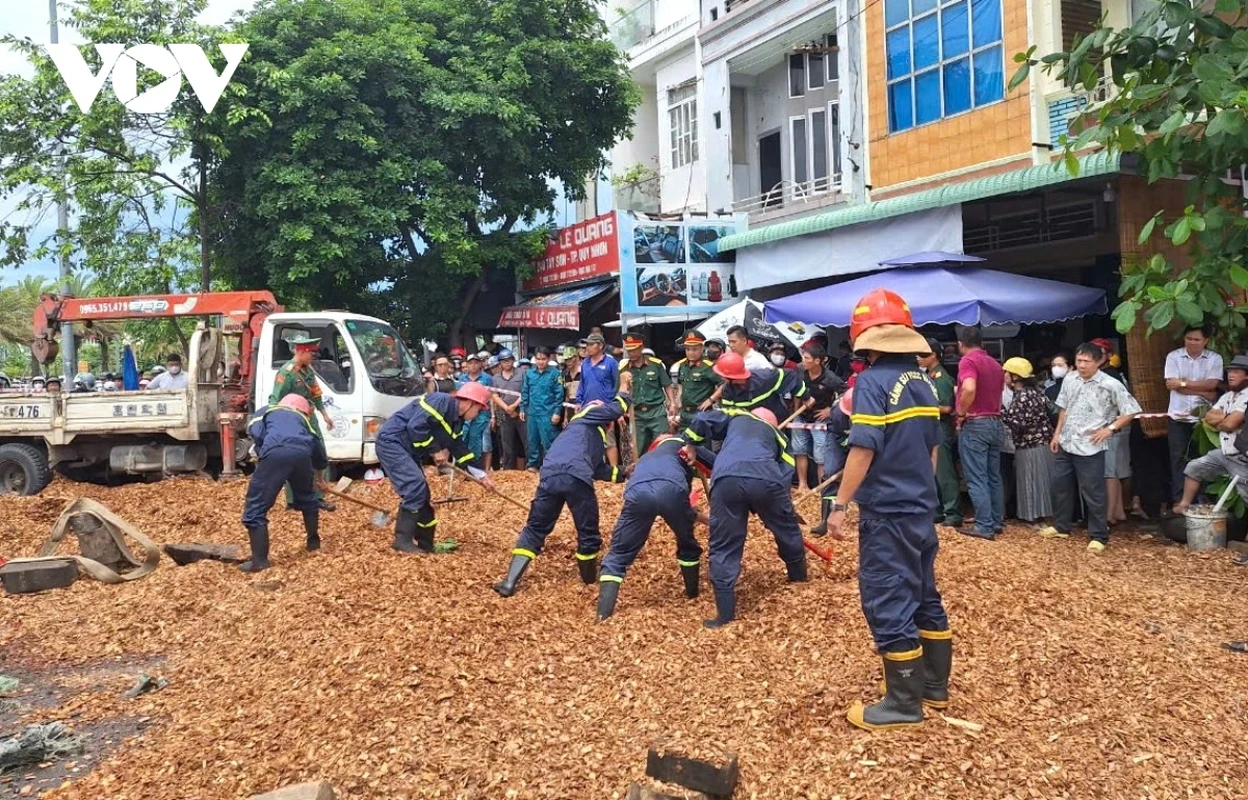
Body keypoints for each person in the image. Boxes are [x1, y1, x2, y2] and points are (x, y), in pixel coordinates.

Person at [825, 288, 950, 732]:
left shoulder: (872, 385)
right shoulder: (924, 380)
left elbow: (862, 450)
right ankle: (934, 687)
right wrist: (923, 492)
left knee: (887, 597)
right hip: (919, 506)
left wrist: (839, 504)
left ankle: (902, 703)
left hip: (888, 511)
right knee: (923, 594)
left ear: (865, 339)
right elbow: (932, 448)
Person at [493, 391, 632, 597]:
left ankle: (509, 582)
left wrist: (624, 472)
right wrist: (624, 394)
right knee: (588, 531)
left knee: (535, 528)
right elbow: (615, 408)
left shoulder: (583, 436)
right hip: (576, 479)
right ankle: (589, 581)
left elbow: (598, 470)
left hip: (549, 476)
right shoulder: (587, 416)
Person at [682, 407, 807, 628]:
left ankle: (724, 615)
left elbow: (702, 417)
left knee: (724, 543)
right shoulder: (779, 437)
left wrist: (690, 444)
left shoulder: (737, 416)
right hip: (767, 480)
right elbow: (786, 473)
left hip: (726, 479)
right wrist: (780, 508)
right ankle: (799, 581)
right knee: (787, 531)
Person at [596, 435, 715, 620]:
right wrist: (713, 519)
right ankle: (692, 593)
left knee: (619, 552)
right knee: (686, 542)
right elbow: (718, 464)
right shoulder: (685, 444)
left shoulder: (647, 457)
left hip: (637, 491)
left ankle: (603, 615)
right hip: (672, 489)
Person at [1041, 342, 1142, 553]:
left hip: (1091, 445)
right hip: (1067, 441)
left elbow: (1130, 411)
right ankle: (1061, 525)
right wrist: (1057, 433)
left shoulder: (1110, 383)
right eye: (1079, 361)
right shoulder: (1070, 378)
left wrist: (1110, 429)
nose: (1082, 365)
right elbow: (1064, 408)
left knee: (1093, 491)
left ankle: (1099, 535)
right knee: (1060, 484)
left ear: (1099, 362)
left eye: (1087, 361)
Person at [375, 385, 494, 554]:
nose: (477, 415)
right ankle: (402, 541)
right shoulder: (441, 401)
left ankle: (425, 545)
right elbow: (416, 426)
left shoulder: (456, 422)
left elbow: (459, 448)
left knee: (422, 494)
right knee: (414, 486)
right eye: (479, 409)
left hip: (409, 449)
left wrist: (482, 476)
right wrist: (435, 450)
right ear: (469, 403)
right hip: (392, 443)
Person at [239, 394, 328, 572]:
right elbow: (318, 451)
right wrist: (320, 479)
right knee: (307, 498)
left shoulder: (267, 410)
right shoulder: (304, 420)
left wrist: (263, 451)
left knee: (255, 508)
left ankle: (260, 562)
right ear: (303, 410)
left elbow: (255, 431)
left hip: (276, 450)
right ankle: (313, 541)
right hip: (302, 455)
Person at [1172, 355, 1248, 535]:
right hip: (1225, 451)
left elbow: (1228, 424)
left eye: (1236, 372)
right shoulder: (1228, 396)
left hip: (1242, 455)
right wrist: (1227, 419)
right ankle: (1184, 504)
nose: (1231, 375)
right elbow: (1210, 417)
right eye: (1230, 371)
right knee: (1194, 467)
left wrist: (1226, 421)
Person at [269, 336, 337, 512]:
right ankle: (293, 501)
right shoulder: (286, 373)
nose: (313, 357)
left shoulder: (308, 371)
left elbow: (315, 393)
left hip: (310, 416)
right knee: (295, 455)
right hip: (293, 419)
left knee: (319, 452)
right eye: (311, 354)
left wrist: (324, 415)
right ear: (301, 352)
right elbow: (275, 399)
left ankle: (318, 497)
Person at [954, 325, 1005, 539]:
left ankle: (984, 525)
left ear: (960, 344)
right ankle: (996, 521)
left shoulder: (968, 361)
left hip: (976, 422)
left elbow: (969, 387)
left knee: (976, 476)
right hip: (995, 420)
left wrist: (961, 412)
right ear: (982, 342)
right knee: (994, 475)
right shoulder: (995, 363)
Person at [1165, 325, 1223, 506]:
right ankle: (1179, 499)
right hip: (1178, 417)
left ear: (1205, 341)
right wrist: (1202, 389)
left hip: (1204, 419)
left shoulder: (1214, 358)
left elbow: (1213, 384)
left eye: (1196, 339)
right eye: (1189, 338)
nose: (1192, 342)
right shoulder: (1174, 357)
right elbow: (1171, 385)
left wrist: (1183, 384)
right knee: (1178, 458)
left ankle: (1202, 499)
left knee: (1203, 458)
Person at [1001, 357, 1055, 524]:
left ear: (1015, 376)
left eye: (1007, 372)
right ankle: (1043, 515)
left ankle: (1033, 516)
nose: (1004, 375)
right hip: (1043, 442)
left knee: (1030, 480)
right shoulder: (1037, 391)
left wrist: (1000, 412)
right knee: (1042, 480)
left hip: (1029, 445)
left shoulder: (1022, 397)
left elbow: (1016, 424)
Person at [918, 339, 961, 528]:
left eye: (922, 354)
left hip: (941, 428)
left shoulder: (940, 377)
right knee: (931, 471)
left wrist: (921, 408)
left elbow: (946, 407)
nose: (918, 358)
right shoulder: (928, 375)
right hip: (930, 428)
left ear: (933, 355)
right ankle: (936, 510)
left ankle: (953, 512)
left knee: (944, 472)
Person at [792, 344, 847, 494]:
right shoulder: (799, 369)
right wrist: (796, 411)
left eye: (807, 358)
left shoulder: (831, 379)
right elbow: (796, 389)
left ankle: (821, 488)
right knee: (799, 449)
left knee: (821, 454)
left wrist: (831, 410)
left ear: (817, 361)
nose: (803, 360)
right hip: (801, 416)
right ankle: (802, 484)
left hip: (820, 418)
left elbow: (846, 394)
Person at [1091, 339, 1132, 525]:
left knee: (1109, 472)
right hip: (1120, 428)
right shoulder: (1117, 374)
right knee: (1116, 470)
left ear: (1108, 356)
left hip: (1111, 428)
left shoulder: (1109, 377)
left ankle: (1108, 515)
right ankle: (1119, 511)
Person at [712, 352, 809, 426]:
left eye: (723, 375)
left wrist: (806, 397)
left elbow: (790, 377)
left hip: (775, 423)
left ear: (732, 377)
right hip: (750, 428)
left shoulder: (765, 377)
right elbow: (729, 413)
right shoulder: (727, 390)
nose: (721, 378)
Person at [621, 334, 676, 456]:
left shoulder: (655, 365)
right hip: (637, 414)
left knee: (662, 445)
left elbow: (667, 385)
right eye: (628, 350)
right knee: (638, 450)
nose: (631, 353)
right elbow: (620, 392)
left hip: (656, 412)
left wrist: (672, 403)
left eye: (634, 349)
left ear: (641, 348)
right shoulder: (624, 369)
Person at [575, 333, 620, 464]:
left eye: (591, 344)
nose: (587, 347)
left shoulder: (611, 363)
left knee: (609, 441)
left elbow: (617, 386)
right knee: (589, 439)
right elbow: (582, 384)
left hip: (605, 408)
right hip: (587, 407)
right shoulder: (585, 364)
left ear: (600, 346)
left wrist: (615, 407)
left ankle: (614, 470)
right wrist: (579, 401)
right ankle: (594, 470)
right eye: (587, 344)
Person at [520, 346, 564, 470]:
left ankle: (551, 465)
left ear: (548, 359)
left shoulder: (555, 374)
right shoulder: (529, 374)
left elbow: (559, 395)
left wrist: (557, 412)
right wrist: (523, 408)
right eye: (538, 359)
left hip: (548, 413)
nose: (540, 362)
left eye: (543, 359)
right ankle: (533, 464)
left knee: (548, 441)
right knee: (532, 440)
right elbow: (525, 392)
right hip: (532, 413)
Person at [674, 331, 723, 430]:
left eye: (694, 349)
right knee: (682, 442)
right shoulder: (682, 366)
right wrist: (678, 399)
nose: (691, 352)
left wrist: (711, 400)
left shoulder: (708, 367)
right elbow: (680, 384)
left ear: (702, 348)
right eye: (688, 349)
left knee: (701, 444)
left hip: (701, 412)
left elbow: (724, 384)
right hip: (684, 413)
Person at [459, 352, 494, 470]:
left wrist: (493, 416)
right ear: (467, 365)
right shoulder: (462, 378)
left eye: (476, 363)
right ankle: (465, 467)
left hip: (482, 413)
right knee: (464, 437)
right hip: (466, 413)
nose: (473, 365)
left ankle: (480, 468)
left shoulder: (487, 378)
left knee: (481, 440)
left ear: (480, 364)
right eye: (470, 363)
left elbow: (492, 397)